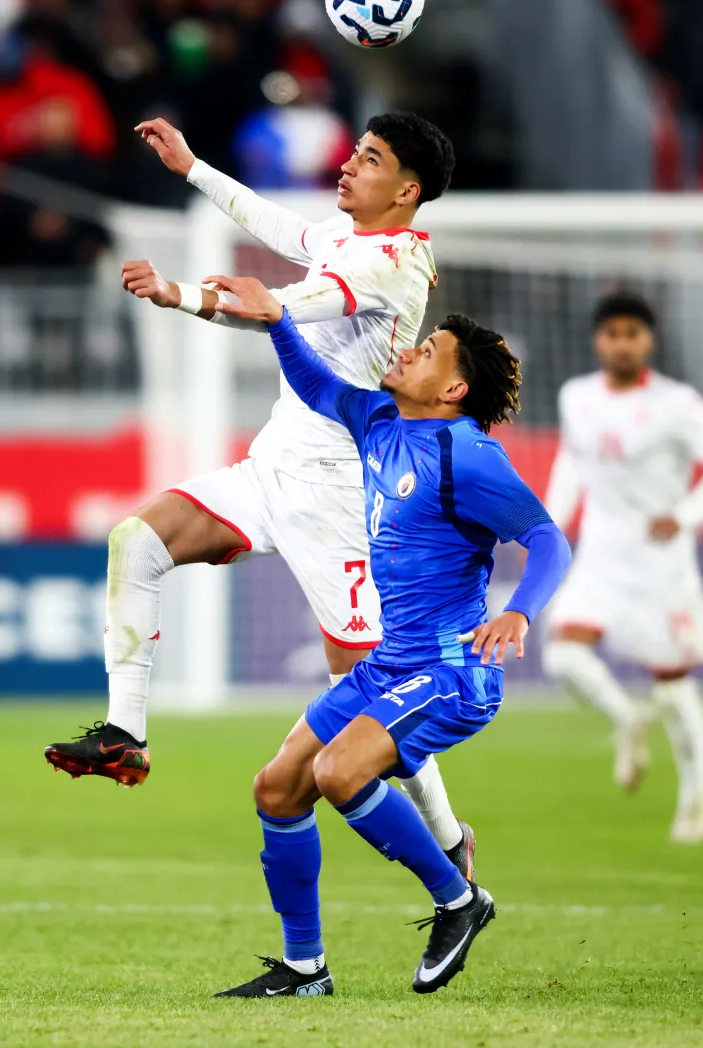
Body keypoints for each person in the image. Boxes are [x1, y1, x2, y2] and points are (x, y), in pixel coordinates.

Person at [44, 110, 477, 875]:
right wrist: (192, 167)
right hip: (269, 469)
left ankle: (449, 837)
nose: (349, 166)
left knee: (371, 693)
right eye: (354, 152)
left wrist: (180, 293)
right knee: (136, 542)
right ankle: (125, 733)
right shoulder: (352, 238)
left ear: (406, 190)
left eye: (369, 160)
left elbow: (283, 308)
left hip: (338, 497)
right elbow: (282, 230)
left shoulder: (393, 265)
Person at [195, 274, 570, 997]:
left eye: (429, 350)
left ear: (454, 389)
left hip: (453, 670)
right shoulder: (381, 425)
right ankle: (305, 969)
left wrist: (520, 611)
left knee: (340, 772)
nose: (411, 349)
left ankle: (460, 901)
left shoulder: (468, 456)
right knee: (277, 789)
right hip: (391, 663)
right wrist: (278, 319)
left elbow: (549, 541)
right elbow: (315, 385)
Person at [543, 291, 703, 844]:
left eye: (633, 333)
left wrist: (687, 513)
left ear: (648, 340)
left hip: (660, 561)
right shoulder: (576, 396)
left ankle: (698, 792)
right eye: (612, 333)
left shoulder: (679, 402)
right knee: (562, 657)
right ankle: (628, 719)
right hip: (601, 552)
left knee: (673, 688)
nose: (622, 343)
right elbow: (573, 461)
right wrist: (548, 523)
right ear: (597, 339)